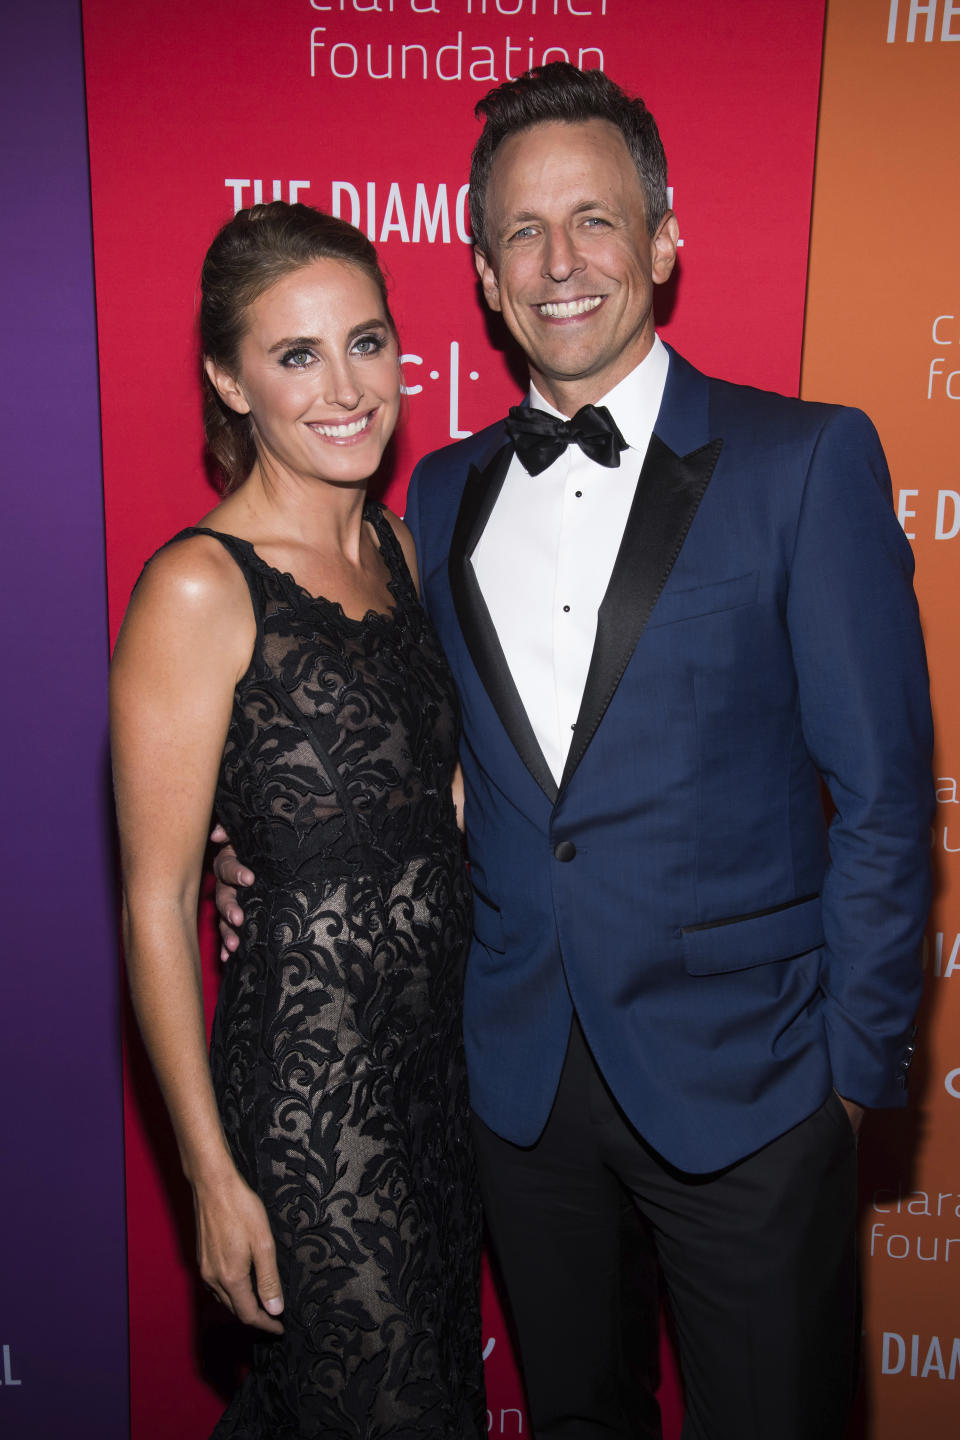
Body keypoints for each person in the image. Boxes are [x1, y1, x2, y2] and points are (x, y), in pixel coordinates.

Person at [216, 66, 933, 1439]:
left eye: (595, 220)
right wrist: (251, 828)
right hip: (521, 1085)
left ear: (662, 241)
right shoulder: (435, 489)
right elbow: (403, 734)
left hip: (756, 1088)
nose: (561, 263)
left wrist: (849, 1081)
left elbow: (889, 798)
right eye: (523, 234)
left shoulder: (805, 461)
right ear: (483, 274)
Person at [111, 202, 485, 1439]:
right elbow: (157, 902)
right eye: (295, 355)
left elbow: (440, 806)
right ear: (229, 378)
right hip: (308, 1114)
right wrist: (210, 1178)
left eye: (366, 344)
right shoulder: (198, 586)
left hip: (436, 1090)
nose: (345, 389)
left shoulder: (400, 548)